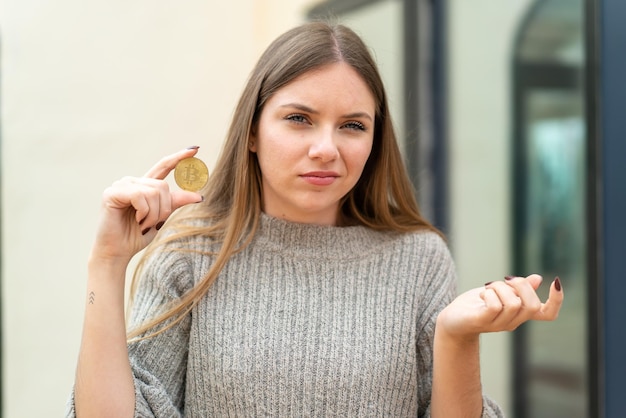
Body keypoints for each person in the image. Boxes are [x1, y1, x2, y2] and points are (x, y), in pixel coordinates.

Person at [66, 21, 563, 417]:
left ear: (373, 141)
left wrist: (456, 337)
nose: (326, 149)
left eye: (352, 126)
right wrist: (107, 263)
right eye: (299, 119)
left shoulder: (418, 258)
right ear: (253, 131)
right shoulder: (191, 253)